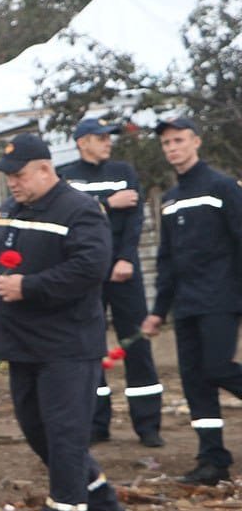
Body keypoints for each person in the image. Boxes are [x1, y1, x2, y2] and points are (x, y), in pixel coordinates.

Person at [0, 133, 124, 511]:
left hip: (66, 343)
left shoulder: (80, 210)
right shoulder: (10, 209)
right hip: (21, 342)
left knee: (64, 433)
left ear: (45, 169)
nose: (12, 183)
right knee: (37, 430)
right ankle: (101, 498)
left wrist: (29, 286)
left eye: (19, 175)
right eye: (7, 176)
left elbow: (91, 266)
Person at [141, 116, 242, 486]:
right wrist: (157, 312)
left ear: (196, 142)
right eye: (167, 143)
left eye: (179, 140)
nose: (172, 148)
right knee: (194, 381)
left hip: (220, 298)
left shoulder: (222, 187)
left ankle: (213, 457)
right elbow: (166, 261)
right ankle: (212, 460)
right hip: (185, 305)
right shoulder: (169, 200)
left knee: (217, 368)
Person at [59, 117, 164, 447]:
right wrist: (106, 203)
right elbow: (65, 216)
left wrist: (125, 259)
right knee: (88, 347)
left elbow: (134, 220)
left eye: (109, 137)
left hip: (122, 273)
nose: (108, 142)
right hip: (85, 276)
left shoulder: (124, 172)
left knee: (136, 344)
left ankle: (147, 426)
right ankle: (95, 422)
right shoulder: (66, 175)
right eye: (101, 137)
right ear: (82, 141)